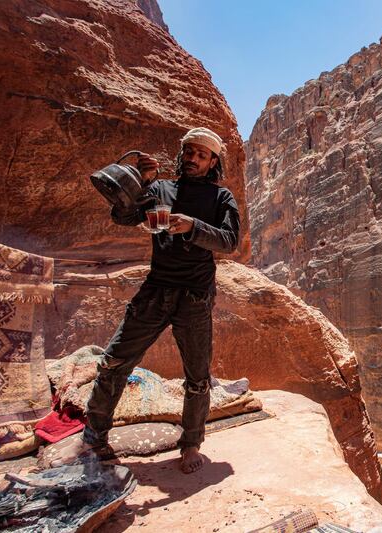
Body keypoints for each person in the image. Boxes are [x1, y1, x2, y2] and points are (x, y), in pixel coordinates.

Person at [53, 127, 240, 473]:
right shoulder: (160, 189)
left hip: (195, 296)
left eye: (202, 155)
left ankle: (191, 444)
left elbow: (230, 241)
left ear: (213, 161)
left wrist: (193, 227)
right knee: (114, 360)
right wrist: (141, 181)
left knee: (197, 376)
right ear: (182, 153)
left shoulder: (220, 198)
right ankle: (93, 438)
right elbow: (123, 217)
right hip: (156, 290)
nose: (193, 159)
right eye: (189, 152)